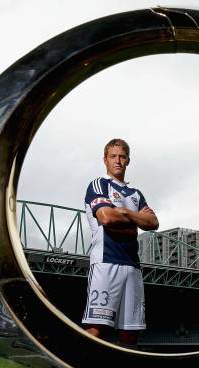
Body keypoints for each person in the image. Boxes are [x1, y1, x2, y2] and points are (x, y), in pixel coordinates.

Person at [81, 138, 159, 349]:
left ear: (128, 161)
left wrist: (122, 211)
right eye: (113, 156)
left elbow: (153, 222)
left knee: (130, 333)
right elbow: (106, 217)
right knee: (96, 328)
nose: (118, 161)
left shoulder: (136, 194)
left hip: (133, 267)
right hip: (107, 262)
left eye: (122, 157)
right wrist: (134, 219)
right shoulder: (99, 184)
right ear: (105, 160)